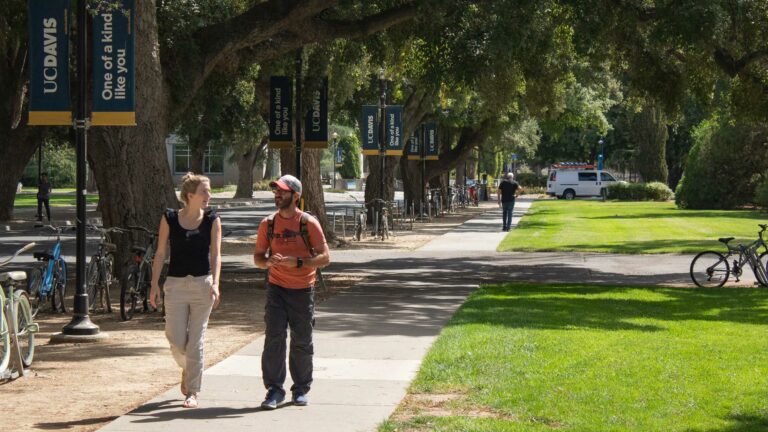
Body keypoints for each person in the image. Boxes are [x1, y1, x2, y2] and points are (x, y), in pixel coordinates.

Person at [253, 174, 330, 410]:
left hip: (303, 290)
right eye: (276, 191)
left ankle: (300, 390)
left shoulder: (308, 223)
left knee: (302, 341)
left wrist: (298, 262)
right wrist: (267, 263)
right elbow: (258, 258)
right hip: (276, 289)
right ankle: (274, 390)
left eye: (282, 191)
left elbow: (325, 258)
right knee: (274, 339)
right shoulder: (268, 224)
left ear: (295, 196)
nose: (277, 194)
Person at [149, 173, 222, 409]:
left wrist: (216, 283)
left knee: (195, 342)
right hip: (175, 286)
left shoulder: (212, 219)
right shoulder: (169, 218)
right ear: (190, 195)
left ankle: (192, 391)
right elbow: (161, 253)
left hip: (203, 285)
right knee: (176, 340)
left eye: (209, 191)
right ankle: (187, 368)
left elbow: (216, 254)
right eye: (204, 191)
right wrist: (154, 285)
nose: (209, 195)